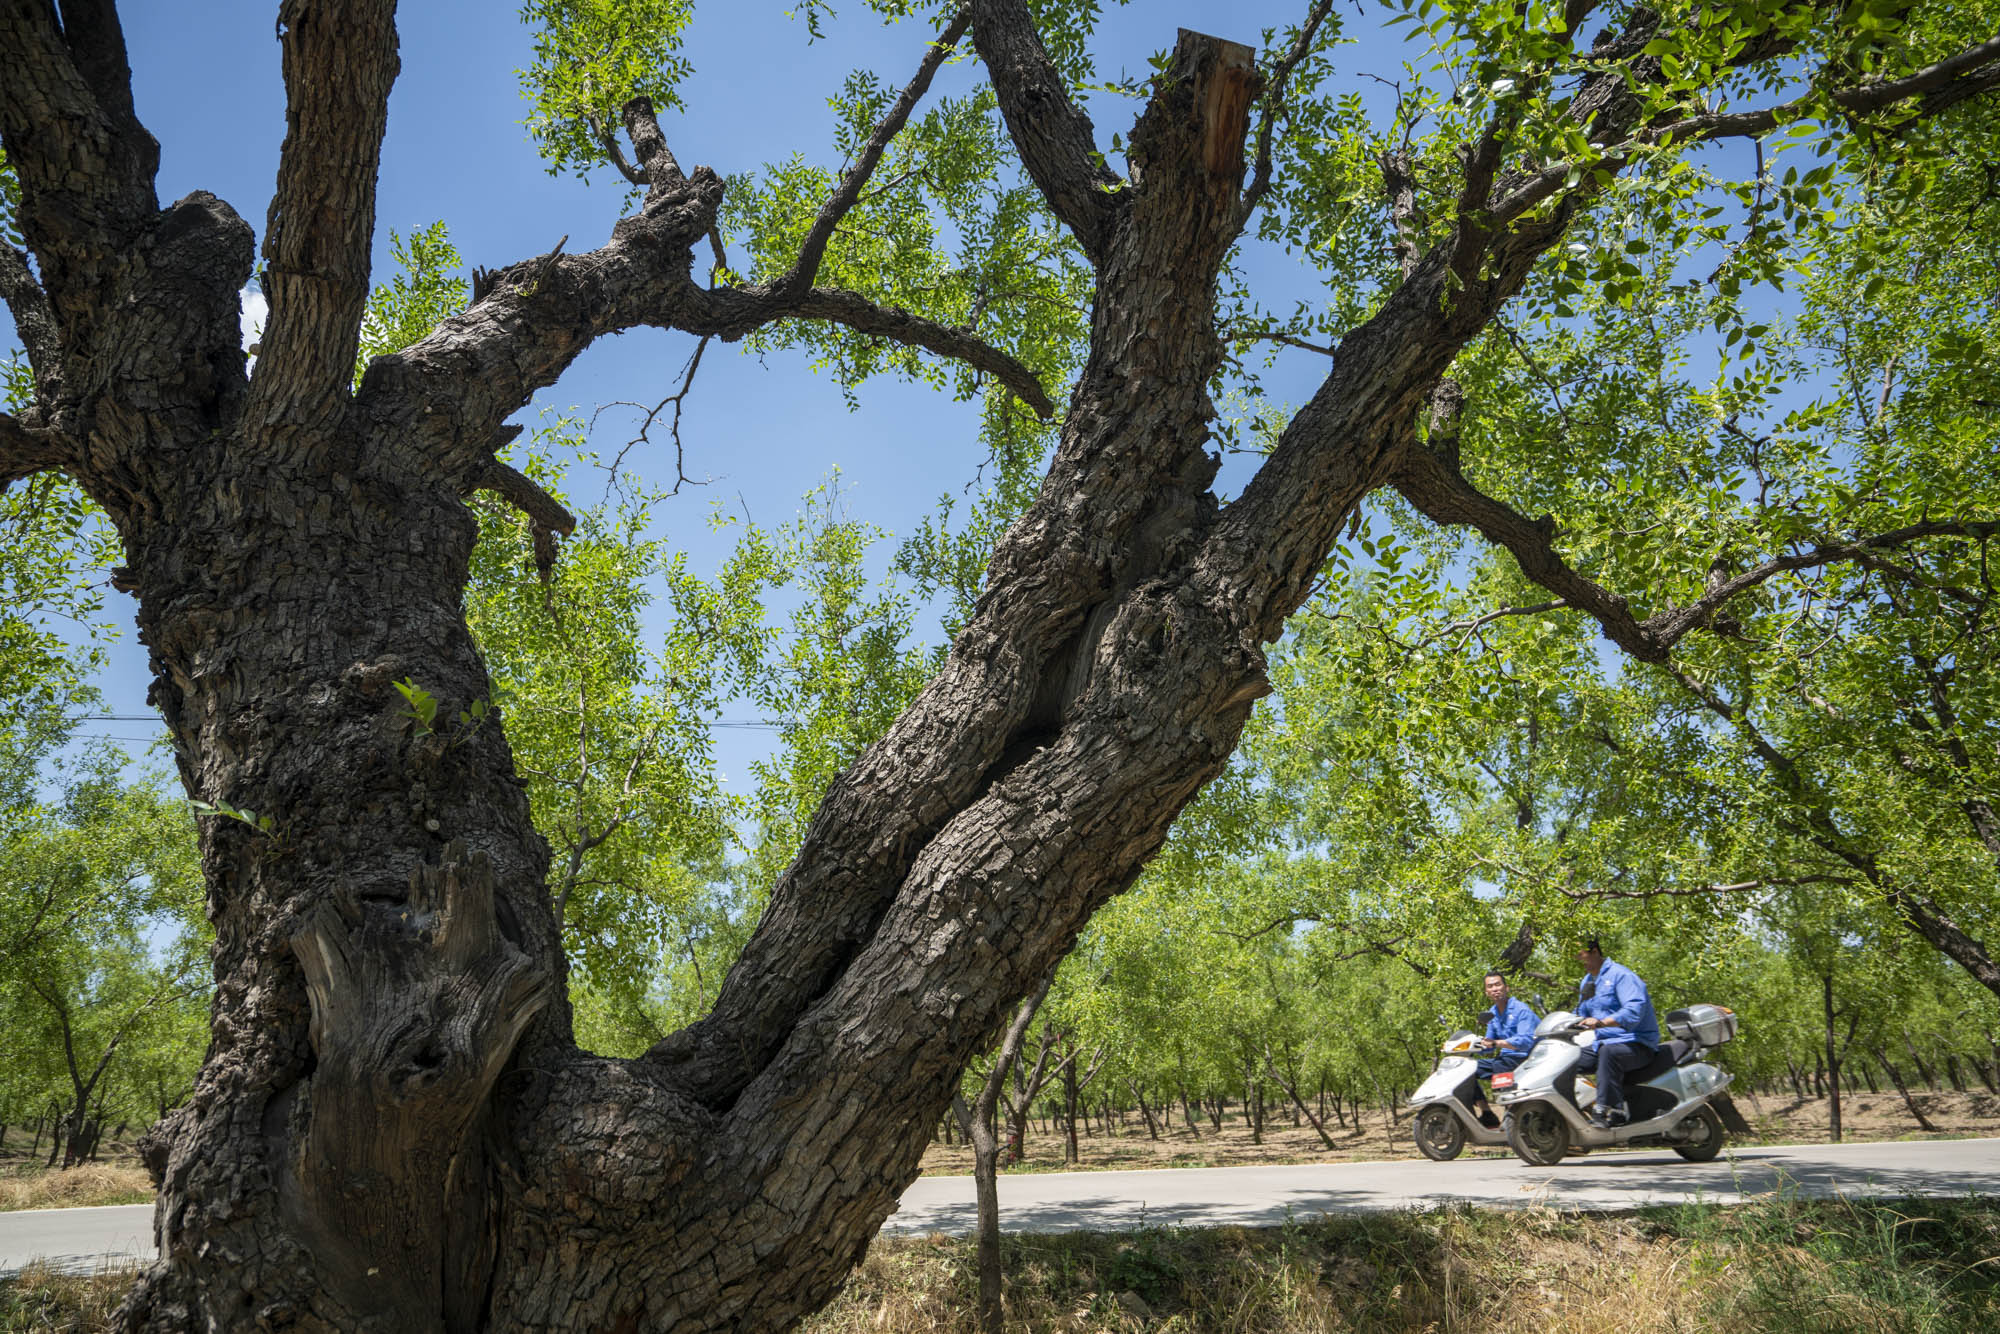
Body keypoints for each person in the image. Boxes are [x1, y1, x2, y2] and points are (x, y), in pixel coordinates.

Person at [1573, 939, 1660, 1128]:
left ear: (1594, 951)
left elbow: (1633, 1010)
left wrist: (1602, 1022)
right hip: (1603, 1043)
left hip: (1637, 1043)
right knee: (1568, 1059)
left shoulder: (1622, 976)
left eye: (1580, 955)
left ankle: (1609, 1110)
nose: (1578, 960)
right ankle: (1572, 1112)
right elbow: (1580, 1012)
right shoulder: (1587, 982)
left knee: (1608, 1052)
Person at [1469, 970, 1539, 1128]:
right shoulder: (1492, 1014)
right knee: (1466, 1068)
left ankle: (1513, 1114)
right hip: (1505, 1058)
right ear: (1486, 992)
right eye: (1490, 986)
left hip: (1526, 1058)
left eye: (1497, 985)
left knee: (1501, 1064)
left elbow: (1526, 1041)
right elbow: (1489, 1044)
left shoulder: (1521, 1010)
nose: (1495, 989)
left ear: (1506, 988)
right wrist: (1471, 1046)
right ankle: (1487, 1114)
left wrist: (1496, 1043)